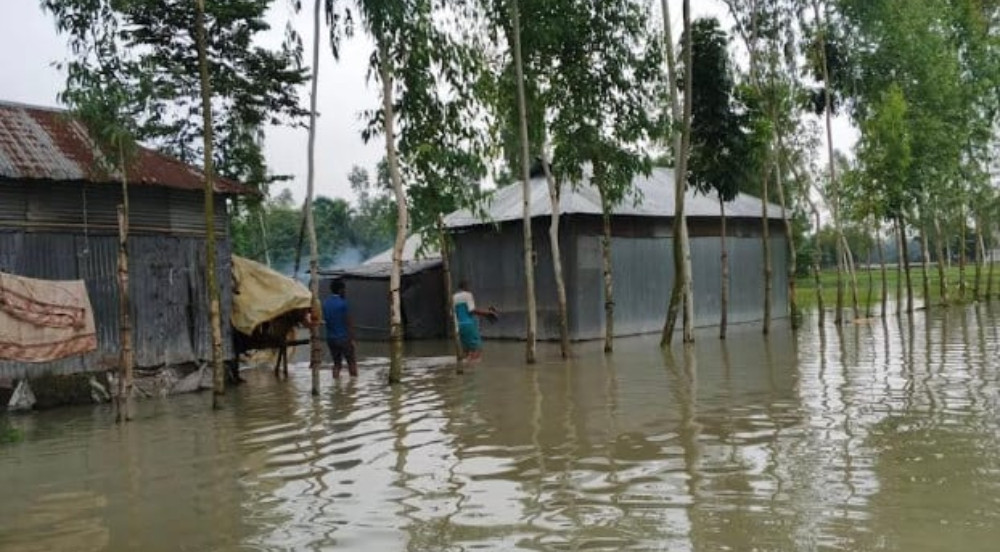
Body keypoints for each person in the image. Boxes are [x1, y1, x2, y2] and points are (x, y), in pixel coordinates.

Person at [453, 280, 496, 362]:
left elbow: (455, 313)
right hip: (469, 325)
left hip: (459, 326)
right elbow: (471, 310)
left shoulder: (454, 297)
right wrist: (487, 313)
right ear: (466, 287)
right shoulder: (468, 295)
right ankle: (472, 371)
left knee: (467, 354)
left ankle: (466, 371)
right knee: (477, 351)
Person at [322, 279, 358, 378]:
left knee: (337, 364)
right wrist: (352, 338)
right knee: (351, 362)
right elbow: (348, 322)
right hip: (343, 337)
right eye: (344, 289)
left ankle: (336, 383)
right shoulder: (343, 303)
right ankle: (353, 387)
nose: (345, 291)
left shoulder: (325, 303)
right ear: (340, 290)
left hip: (330, 338)